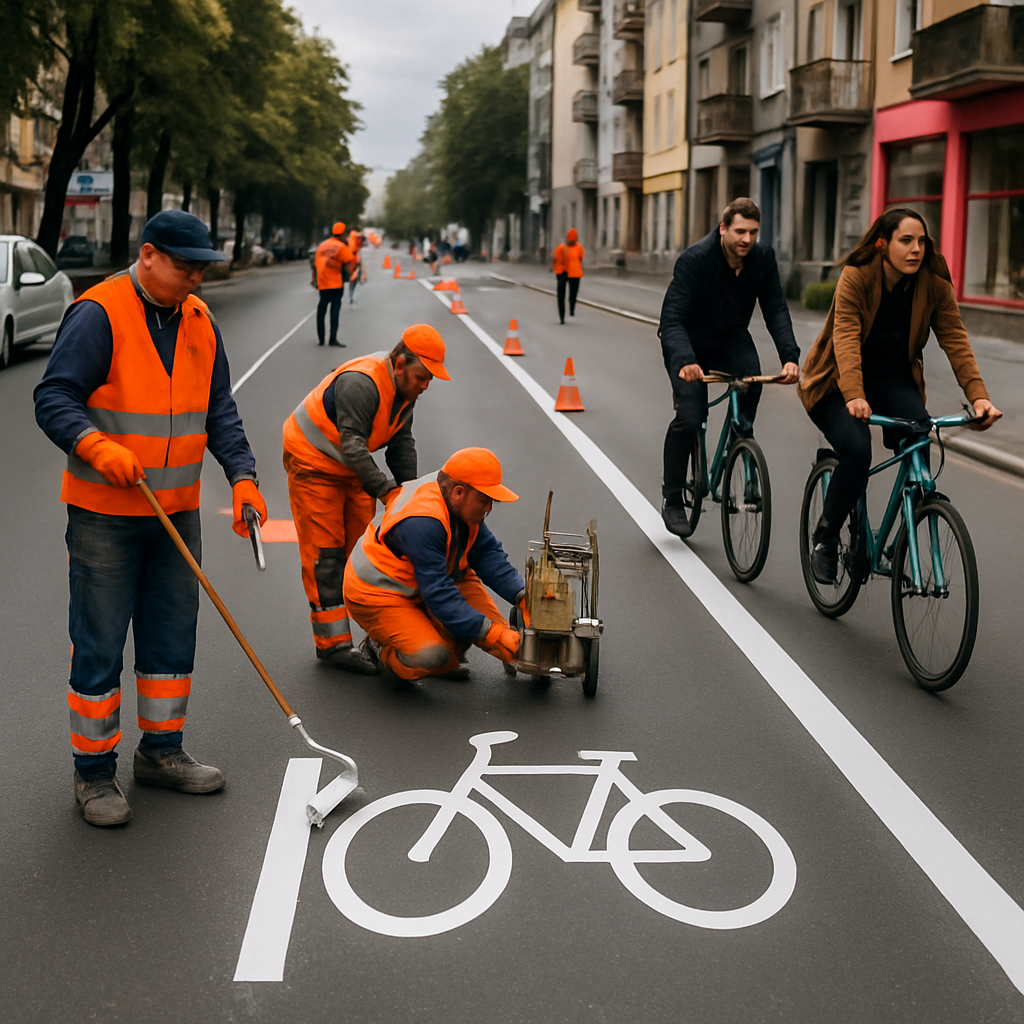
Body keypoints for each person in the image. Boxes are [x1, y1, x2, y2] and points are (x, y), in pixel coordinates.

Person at [33, 209, 268, 828]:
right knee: (100, 641)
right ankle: (93, 772)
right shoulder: (99, 313)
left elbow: (219, 409)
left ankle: (161, 752)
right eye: (186, 266)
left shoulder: (199, 320)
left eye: (201, 269)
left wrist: (243, 476)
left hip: (176, 512)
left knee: (170, 637)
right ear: (148, 255)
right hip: (105, 514)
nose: (195, 278)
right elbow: (53, 397)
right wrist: (95, 445)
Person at [798, 207, 1001, 584]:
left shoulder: (933, 282)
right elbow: (845, 336)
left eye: (921, 241)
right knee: (857, 452)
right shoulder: (857, 276)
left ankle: (901, 537)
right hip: (837, 382)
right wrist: (854, 395)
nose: (916, 249)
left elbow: (955, 339)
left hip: (893, 380)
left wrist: (979, 398)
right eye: (906, 241)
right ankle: (825, 537)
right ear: (882, 244)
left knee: (920, 439)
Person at [282, 324, 451, 674]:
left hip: (352, 468)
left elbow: (401, 444)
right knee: (326, 554)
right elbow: (353, 445)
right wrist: (386, 490)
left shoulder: (405, 393)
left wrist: (409, 494)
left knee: (365, 555)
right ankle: (332, 646)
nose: (425, 386)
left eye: (430, 380)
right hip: (314, 463)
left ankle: (378, 638)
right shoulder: (361, 384)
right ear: (400, 364)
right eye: (422, 377)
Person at [658, 197, 801, 538]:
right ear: (723, 229)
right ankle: (673, 497)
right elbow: (672, 319)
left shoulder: (762, 258)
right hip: (689, 342)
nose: (747, 239)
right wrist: (686, 361)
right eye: (740, 231)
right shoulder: (695, 259)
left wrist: (790, 357)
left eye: (753, 232)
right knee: (690, 416)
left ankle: (740, 440)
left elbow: (775, 309)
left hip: (731, 339)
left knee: (753, 381)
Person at [343, 448, 525, 683]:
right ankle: (381, 649)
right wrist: (494, 634)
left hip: (429, 580)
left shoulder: (457, 497)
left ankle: (429, 633)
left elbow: (488, 555)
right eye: (484, 500)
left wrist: (522, 596)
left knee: (471, 635)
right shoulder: (422, 522)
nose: (489, 507)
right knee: (433, 657)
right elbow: (439, 594)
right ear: (459, 492)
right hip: (380, 593)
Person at [313, 221, 355, 347]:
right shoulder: (341, 247)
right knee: (334, 311)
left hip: (323, 283)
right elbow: (350, 260)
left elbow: (315, 265)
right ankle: (332, 338)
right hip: (336, 284)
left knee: (321, 309)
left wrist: (315, 280)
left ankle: (321, 338)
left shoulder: (322, 246)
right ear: (343, 233)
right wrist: (350, 274)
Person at [552, 228, 584, 324]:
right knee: (562, 295)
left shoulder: (578, 248)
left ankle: (570, 309)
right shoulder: (562, 248)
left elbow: (580, 259)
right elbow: (556, 260)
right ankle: (562, 316)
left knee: (570, 293)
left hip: (571, 273)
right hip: (563, 273)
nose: (571, 241)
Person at [347, 228, 363, 305]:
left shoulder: (353, 241)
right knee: (353, 280)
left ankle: (351, 294)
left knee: (354, 280)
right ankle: (351, 295)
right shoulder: (352, 242)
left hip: (355, 263)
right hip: (353, 263)